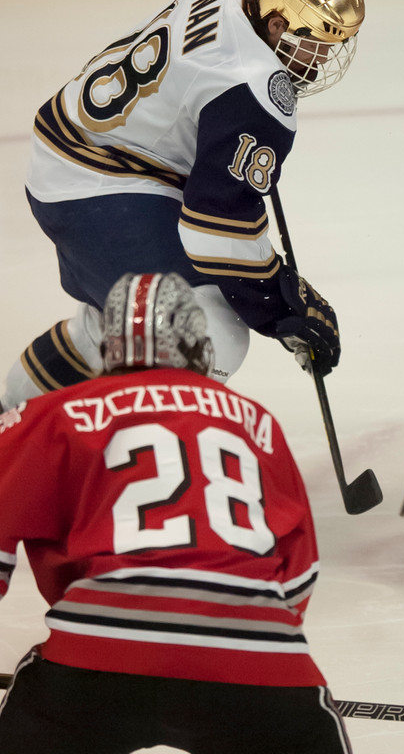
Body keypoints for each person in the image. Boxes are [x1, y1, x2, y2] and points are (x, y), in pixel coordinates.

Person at [0, 0, 365, 412]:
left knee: (111, 326)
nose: (318, 61)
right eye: (313, 45)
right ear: (275, 24)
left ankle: (12, 416)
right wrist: (281, 304)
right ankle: (149, 461)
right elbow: (214, 231)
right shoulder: (254, 86)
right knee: (208, 330)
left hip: (85, 138)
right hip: (94, 181)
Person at [0, 271, 352, 753]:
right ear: (200, 345)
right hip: (257, 664)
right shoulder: (256, 423)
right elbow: (298, 576)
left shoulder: (59, 412)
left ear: (108, 346)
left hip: (98, 654)